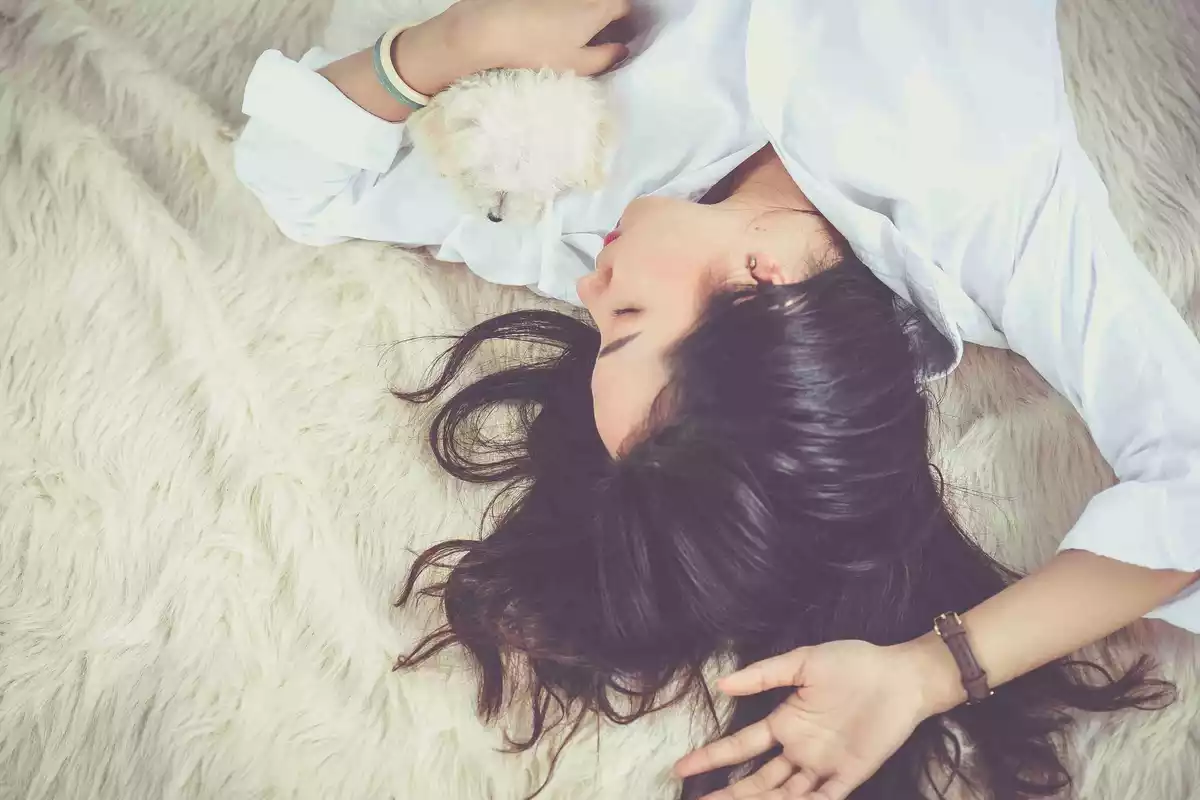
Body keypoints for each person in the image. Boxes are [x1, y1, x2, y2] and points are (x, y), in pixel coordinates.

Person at [233, 1, 1200, 798]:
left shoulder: (578, 221)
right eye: (627, 321)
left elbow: (298, 181)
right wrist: (930, 672)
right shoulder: (990, 205)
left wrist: (454, 46)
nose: (584, 292)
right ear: (764, 279)